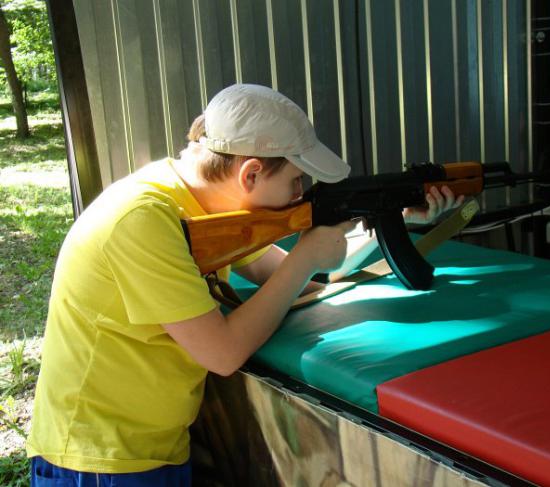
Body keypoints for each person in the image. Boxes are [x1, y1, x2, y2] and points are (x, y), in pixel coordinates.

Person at [26, 84, 462, 486]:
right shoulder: (142, 220)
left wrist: (394, 222)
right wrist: (307, 255)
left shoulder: (206, 204)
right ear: (250, 174)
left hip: (147, 449)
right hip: (99, 462)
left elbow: (298, 278)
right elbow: (223, 352)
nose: (299, 194)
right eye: (295, 181)